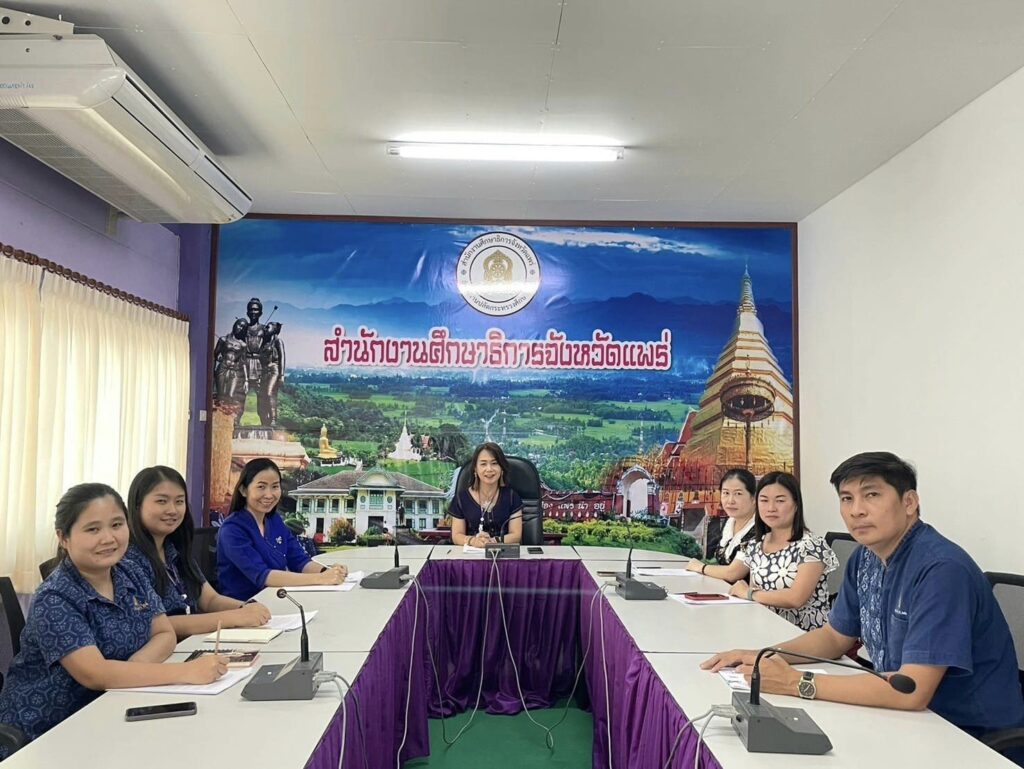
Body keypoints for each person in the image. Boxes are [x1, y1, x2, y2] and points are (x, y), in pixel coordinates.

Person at [701, 452, 1024, 755]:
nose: (856, 510)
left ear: (909, 502)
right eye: (847, 498)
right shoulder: (865, 558)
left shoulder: (940, 570)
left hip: (969, 736)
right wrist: (764, 655)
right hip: (904, 719)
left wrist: (795, 683)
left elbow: (911, 689)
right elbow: (834, 637)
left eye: (871, 495)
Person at [0, 484, 226, 753]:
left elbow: (164, 632)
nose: (108, 538)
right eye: (93, 529)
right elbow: (95, 674)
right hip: (49, 732)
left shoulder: (129, 571)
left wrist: (135, 667)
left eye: (117, 524)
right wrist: (187, 672)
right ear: (63, 537)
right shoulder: (55, 597)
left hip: (117, 708)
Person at [122, 465, 272, 640]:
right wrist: (234, 617)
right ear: (137, 505)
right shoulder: (128, 559)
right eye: (162, 501)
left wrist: (246, 607)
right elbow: (154, 624)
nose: (172, 510)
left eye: (179, 501)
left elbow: (209, 600)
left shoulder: (174, 549)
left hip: (192, 643)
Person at [690, 471, 837, 631]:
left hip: (802, 635)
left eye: (780, 501)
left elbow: (796, 598)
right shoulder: (756, 544)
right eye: (764, 500)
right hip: (762, 629)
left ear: (796, 504)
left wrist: (749, 593)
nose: (771, 508)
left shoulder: (811, 545)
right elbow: (755, 597)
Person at [217, 458, 348, 600]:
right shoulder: (232, 530)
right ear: (243, 490)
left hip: (277, 598)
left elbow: (300, 561)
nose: (269, 495)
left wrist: (329, 572)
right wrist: (322, 578)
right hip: (245, 606)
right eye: (261, 487)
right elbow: (263, 576)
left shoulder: (274, 520)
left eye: (275, 486)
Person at [449, 442, 523, 546]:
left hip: (502, 552)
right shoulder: (461, 499)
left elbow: (516, 535)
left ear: (501, 468)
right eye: (483, 464)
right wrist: (473, 541)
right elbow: (456, 536)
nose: (489, 469)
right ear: (475, 469)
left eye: (494, 463)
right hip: (471, 553)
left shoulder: (512, 497)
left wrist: (492, 541)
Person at [685, 468, 757, 571]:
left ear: (753, 498)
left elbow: (734, 572)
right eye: (726, 493)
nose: (730, 501)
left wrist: (701, 567)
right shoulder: (729, 523)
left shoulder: (759, 529)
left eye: (738, 494)